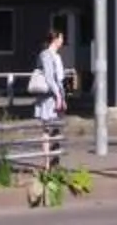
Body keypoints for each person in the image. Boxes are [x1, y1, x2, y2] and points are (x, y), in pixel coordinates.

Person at [31, 26, 70, 172]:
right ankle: (47, 163)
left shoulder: (57, 56)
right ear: (55, 39)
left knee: (56, 128)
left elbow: (59, 79)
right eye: (61, 37)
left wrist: (62, 96)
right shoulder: (46, 55)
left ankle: (55, 161)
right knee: (47, 128)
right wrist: (58, 95)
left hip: (56, 95)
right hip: (48, 97)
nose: (63, 40)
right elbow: (49, 77)